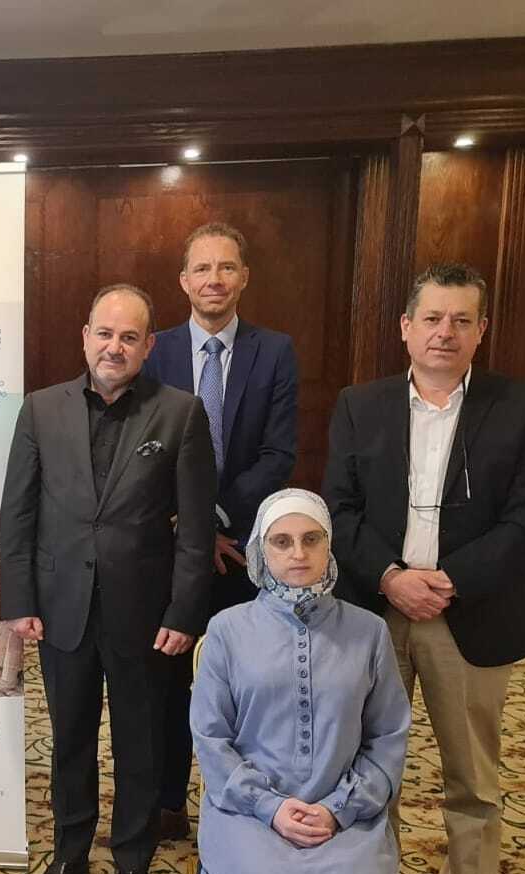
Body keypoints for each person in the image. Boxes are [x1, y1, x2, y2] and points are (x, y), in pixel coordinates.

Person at [323, 262, 525, 874]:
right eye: (431, 318)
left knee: (473, 775)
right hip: (377, 612)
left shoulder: (523, 407)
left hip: (473, 614)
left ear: (481, 330)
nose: (444, 333)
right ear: (406, 327)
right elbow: (339, 510)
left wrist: (449, 582)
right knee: (371, 765)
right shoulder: (360, 405)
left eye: (461, 320)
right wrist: (392, 577)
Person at [0, 283, 215, 874]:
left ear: (148, 346)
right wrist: (19, 599)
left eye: (128, 337)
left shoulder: (181, 414)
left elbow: (197, 530)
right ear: (85, 337)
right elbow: (18, 513)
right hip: (60, 607)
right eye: (104, 333)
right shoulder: (40, 409)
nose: (113, 347)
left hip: (144, 616)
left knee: (139, 741)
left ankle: (132, 859)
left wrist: (184, 612)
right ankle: (70, 851)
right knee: (69, 737)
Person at [191, 488, 424, 874]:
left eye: (311, 539)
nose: (298, 553)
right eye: (282, 541)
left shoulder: (368, 632)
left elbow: (388, 736)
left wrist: (341, 808)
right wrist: (269, 807)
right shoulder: (227, 630)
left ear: (328, 547)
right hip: (248, 817)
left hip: (346, 817)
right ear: (260, 551)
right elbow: (211, 740)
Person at [142, 222, 299, 842]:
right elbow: (141, 452)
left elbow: (277, 454)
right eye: (203, 268)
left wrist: (213, 521)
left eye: (226, 267)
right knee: (165, 683)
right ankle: (166, 803)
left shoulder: (275, 351)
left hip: (240, 551)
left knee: (244, 683)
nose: (214, 279)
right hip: (165, 548)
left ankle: (244, 805)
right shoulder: (154, 350)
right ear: (184, 281)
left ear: (244, 278)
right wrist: (190, 527)